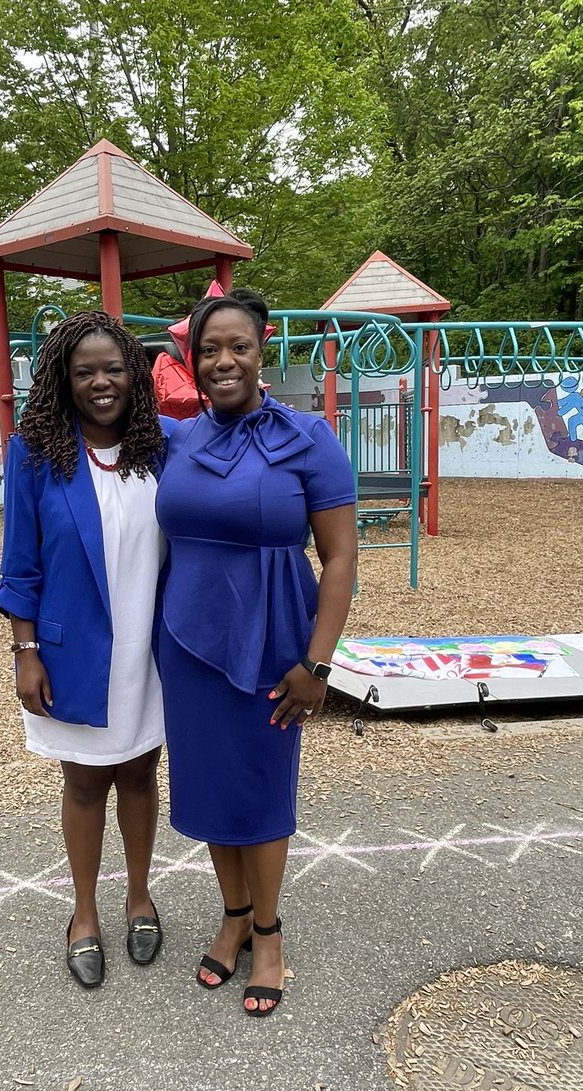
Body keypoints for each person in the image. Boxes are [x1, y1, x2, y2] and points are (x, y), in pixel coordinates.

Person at [155, 288, 358, 1017]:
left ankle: (267, 930)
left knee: (263, 789)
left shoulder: (311, 439)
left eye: (237, 346)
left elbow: (339, 559)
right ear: (191, 360)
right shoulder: (175, 439)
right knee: (211, 786)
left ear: (263, 348)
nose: (223, 360)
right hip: (185, 642)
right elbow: (88, 412)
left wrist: (319, 663)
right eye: (208, 350)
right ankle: (233, 914)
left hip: (277, 642)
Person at [0, 311, 176, 990]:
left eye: (114, 368)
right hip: (72, 651)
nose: (101, 382)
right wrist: (25, 651)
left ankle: (138, 898)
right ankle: (83, 914)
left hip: (149, 652)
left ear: (134, 374)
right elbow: (20, 564)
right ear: (62, 381)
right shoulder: (35, 453)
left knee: (138, 776)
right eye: (84, 372)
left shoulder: (159, 448)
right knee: (83, 782)